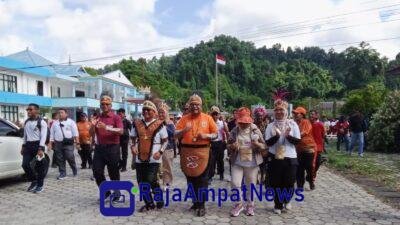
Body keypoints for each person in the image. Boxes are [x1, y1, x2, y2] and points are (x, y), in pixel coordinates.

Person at [175, 94, 218, 217]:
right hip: (187, 152)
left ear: (201, 106)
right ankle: (195, 202)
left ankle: (201, 205)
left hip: (203, 152)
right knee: (190, 179)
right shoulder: (184, 119)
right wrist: (184, 131)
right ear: (189, 106)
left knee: (202, 180)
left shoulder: (208, 118)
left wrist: (206, 136)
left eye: (197, 104)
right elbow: (175, 134)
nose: (195, 107)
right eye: (193, 104)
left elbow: (216, 134)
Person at [227, 107, 266, 217]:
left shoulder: (255, 130)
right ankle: (238, 204)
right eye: (241, 122)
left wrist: (257, 145)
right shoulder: (235, 130)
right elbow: (228, 145)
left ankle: (250, 205)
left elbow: (264, 146)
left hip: (252, 163)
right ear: (238, 121)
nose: (244, 124)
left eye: (246, 122)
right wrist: (232, 146)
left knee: (251, 185)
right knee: (235, 183)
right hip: (237, 162)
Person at [130, 100, 168, 212]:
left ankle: (155, 201)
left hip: (154, 159)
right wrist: (132, 146)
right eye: (144, 110)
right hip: (140, 157)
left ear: (154, 112)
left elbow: (165, 141)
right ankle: (152, 203)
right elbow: (132, 137)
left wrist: (160, 152)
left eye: (148, 110)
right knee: (141, 182)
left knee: (149, 180)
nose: (146, 112)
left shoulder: (160, 124)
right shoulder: (137, 123)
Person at [265, 99, 300, 214]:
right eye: (277, 110)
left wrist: (288, 136)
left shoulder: (293, 124)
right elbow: (268, 143)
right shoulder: (270, 126)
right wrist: (276, 136)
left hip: (290, 157)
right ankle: (278, 204)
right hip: (275, 157)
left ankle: (287, 200)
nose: (279, 112)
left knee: (289, 181)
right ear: (274, 111)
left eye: (281, 109)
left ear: (286, 111)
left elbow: (297, 141)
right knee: (276, 182)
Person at [93, 96, 123, 202]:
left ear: (111, 105)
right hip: (99, 148)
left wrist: (106, 127)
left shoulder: (116, 117)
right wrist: (92, 126)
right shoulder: (97, 118)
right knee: (96, 171)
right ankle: (105, 192)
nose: (104, 106)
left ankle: (116, 192)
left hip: (113, 148)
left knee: (113, 172)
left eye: (107, 104)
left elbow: (121, 131)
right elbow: (92, 133)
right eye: (102, 104)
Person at [21, 103, 49, 193]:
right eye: (27, 110)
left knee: (40, 166)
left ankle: (40, 185)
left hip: (38, 146)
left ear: (37, 110)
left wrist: (41, 149)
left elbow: (43, 136)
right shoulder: (26, 122)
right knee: (25, 164)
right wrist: (23, 146)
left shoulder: (42, 122)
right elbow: (25, 135)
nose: (28, 111)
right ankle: (34, 181)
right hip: (28, 146)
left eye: (30, 109)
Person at [49, 108, 79, 180]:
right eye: (59, 113)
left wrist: (77, 143)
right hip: (58, 143)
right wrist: (50, 143)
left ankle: (74, 168)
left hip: (68, 143)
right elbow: (52, 134)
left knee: (70, 156)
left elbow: (75, 133)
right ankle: (62, 173)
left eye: (62, 112)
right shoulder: (55, 123)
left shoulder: (71, 122)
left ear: (66, 114)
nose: (60, 114)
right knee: (60, 159)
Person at [292, 106, 316, 190]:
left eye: (297, 113)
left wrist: (293, 137)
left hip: (308, 148)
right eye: (294, 113)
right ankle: (300, 186)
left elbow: (304, 133)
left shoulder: (306, 122)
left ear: (302, 115)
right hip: (298, 150)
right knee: (299, 168)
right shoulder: (293, 123)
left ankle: (311, 181)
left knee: (309, 167)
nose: (295, 115)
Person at [208, 106, 229, 183]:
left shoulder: (221, 123)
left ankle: (221, 173)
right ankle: (210, 176)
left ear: (219, 115)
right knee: (211, 161)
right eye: (213, 114)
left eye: (216, 114)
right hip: (212, 143)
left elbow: (227, 131)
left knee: (220, 160)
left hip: (220, 143)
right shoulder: (209, 123)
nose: (215, 116)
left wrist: (223, 121)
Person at [158, 102, 176, 189]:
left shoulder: (170, 123)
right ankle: (157, 183)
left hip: (168, 148)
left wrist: (164, 125)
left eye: (163, 112)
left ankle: (167, 183)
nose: (161, 114)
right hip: (157, 148)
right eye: (159, 112)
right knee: (158, 168)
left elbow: (172, 135)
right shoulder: (156, 122)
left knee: (167, 167)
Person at [252, 105, 269, 187]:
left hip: (264, 148)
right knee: (255, 164)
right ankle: (255, 178)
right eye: (258, 115)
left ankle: (263, 177)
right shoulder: (252, 125)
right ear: (255, 116)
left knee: (263, 164)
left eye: (261, 115)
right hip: (254, 147)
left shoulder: (266, 125)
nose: (260, 117)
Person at [310, 110, 325, 185]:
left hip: (318, 147)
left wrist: (322, 146)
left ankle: (312, 174)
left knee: (318, 163)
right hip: (310, 146)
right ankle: (311, 177)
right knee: (311, 163)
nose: (311, 116)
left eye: (312, 114)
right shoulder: (308, 124)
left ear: (316, 115)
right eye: (310, 114)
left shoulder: (320, 125)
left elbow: (323, 136)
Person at [117, 108, 132, 172]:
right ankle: (120, 163)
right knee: (116, 153)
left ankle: (124, 167)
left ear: (123, 114)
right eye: (118, 114)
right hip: (117, 138)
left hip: (125, 139)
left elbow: (132, 129)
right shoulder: (116, 121)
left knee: (124, 153)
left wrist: (133, 138)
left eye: (121, 114)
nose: (119, 115)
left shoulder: (127, 121)